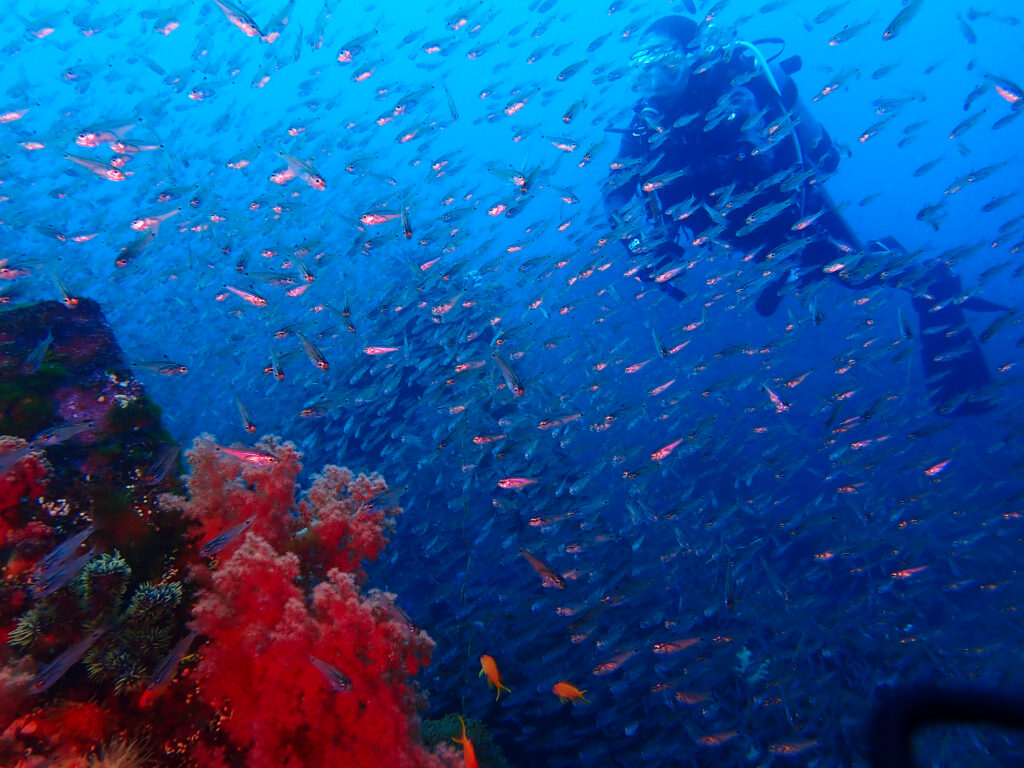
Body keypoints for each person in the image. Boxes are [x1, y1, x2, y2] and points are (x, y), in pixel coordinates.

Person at [605, 15, 1009, 416]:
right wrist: (642, 246)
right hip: (741, 234)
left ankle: (934, 286)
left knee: (850, 272)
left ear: (691, 57)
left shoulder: (735, 89)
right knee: (835, 272)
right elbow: (615, 192)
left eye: (666, 61)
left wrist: (720, 159)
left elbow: (778, 157)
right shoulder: (645, 124)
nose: (656, 76)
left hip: (794, 212)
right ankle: (883, 261)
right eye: (644, 65)